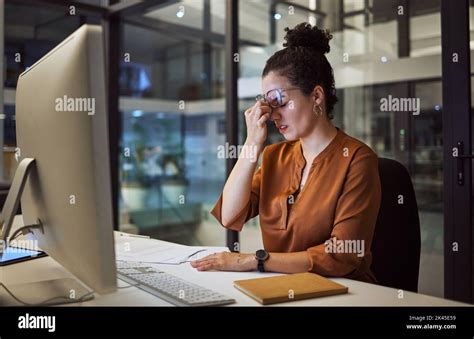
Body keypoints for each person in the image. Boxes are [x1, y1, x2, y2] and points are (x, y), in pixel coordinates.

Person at [191, 23, 381, 283]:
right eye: (268, 104)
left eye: (279, 100)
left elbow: (341, 255)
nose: (273, 114)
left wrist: (254, 260)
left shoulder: (358, 159)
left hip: (343, 291)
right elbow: (230, 217)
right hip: (281, 286)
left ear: (316, 96)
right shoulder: (274, 157)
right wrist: (251, 145)